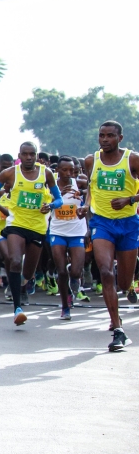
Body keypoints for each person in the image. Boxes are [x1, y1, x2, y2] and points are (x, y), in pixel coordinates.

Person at [0, 141, 62, 328]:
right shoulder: (9, 174)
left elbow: (59, 199)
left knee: (27, 273)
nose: (29, 157)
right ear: (19, 156)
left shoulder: (46, 174)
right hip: (15, 223)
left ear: (37, 156)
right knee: (14, 261)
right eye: (25, 154)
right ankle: (17, 309)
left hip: (37, 226)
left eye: (32, 154)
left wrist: (51, 205)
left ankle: (22, 284)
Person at [81, 121, 139, 350]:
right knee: (105, 272)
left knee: (123, 283)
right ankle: (118, 329)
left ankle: (130, 286)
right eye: (101, 136)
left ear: (120, 138)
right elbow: (90, 189)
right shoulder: (91, 160)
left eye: (110, 136)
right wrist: (86, 206)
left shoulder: (132, 159)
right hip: (102, 223)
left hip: (128, 224)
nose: (105, 140)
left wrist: (130, 200)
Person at [49, 156, 89, 320]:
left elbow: (92, 195)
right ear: (57, 170)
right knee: (61, 271)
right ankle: (65, 307)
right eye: (64, 170)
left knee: (75, 271)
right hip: (57, 231)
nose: (68, 173)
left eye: (71, 170)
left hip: (77, 231)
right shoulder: (50, 185)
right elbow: (42, 205)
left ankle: (76, 282)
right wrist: (55, 198)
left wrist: (88, 227)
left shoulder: (79, 183)